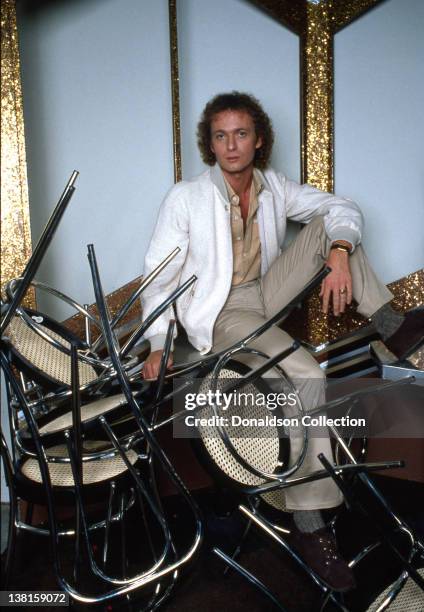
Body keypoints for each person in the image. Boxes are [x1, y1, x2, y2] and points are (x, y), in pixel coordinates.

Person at [140, 92, 424, 591]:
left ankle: (391, 328)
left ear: (259, 139)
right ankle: (309, 526)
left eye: (241, 134)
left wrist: (338, 253)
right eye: (221, 135)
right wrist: (159, 342)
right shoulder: (185, 198)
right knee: (308, 375)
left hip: (263, 296)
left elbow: (342, 208)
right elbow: (158, 279)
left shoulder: (272, 186)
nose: (232, 145)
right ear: (210, 143)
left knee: (330, 231)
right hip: (220, 314)